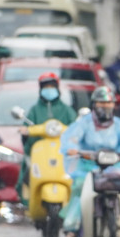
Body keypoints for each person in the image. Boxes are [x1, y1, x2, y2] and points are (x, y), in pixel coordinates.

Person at [58, 86, 120, 237]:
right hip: (87, 166)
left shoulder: (119, 125)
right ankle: (73, 228)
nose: (105, 106)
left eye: (109, 103)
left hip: (113, 166)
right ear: (94, 105)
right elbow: (71, 138)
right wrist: (72, 148)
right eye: (101, 103)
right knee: (81, 187)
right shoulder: (84, 123)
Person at [18, 72, 78, 202]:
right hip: (40, 153)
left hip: (61, 153)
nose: (49, 89)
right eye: (46, 87)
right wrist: (26, 131)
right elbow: (26, 128)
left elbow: (76, 128)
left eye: (51, 86)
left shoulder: (66, 110)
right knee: (27, 172)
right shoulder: (34, 110)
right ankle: (27, 200)